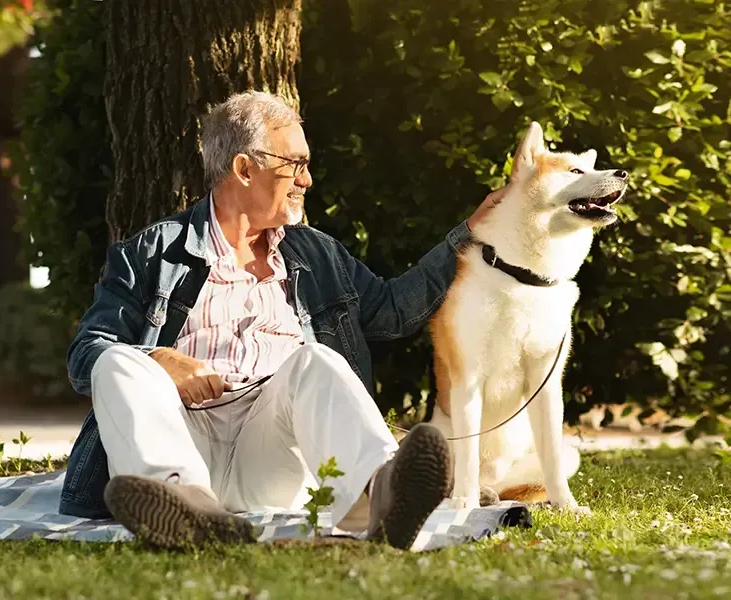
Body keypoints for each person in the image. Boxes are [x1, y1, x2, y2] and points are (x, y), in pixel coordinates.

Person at [59, 90, 504, 551]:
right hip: (180, 441)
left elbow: (391, 312)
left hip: (270, 452)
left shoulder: (317, 254)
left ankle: (385, 496)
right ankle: (186, 510)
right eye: (296, 163)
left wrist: (468, 235)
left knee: (316, 360)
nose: (307, 179)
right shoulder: (152, 252)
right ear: (244, 168)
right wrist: (159, 359)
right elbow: (85, 353)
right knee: (116, 361)